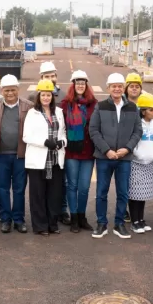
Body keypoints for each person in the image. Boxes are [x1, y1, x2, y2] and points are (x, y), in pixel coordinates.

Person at [89, 73, 143, 239]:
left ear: (123, 88)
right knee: (101, 192)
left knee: (123, 192)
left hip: (124, 158)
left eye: (120, 86)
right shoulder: (101, 106)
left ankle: (119, 224)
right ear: (108, 88)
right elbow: (94, 130)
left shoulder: (132, 107)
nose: (117, 89)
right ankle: (101, 223)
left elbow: (138, 131)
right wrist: (107, 150)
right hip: (104, 158)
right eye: (114, 86)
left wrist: (127, 148)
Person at [0, 74, 33, 234]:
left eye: (13, 90)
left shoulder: (28, 106)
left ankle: (19, 220)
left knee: (19, 189)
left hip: (21, 155)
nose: (10, 93)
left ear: (18, 89)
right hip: (1, 155)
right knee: (2, 188)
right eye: (6, 90)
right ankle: (5, 219)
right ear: (2, 90)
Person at [23, 79, 67, 235]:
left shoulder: (59, 112)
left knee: (54, 195)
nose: (46, 98)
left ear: (52, 96)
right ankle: (40, 226)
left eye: (49, 95)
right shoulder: (32, 113)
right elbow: (26, 136)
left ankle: (52, 224)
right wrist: (44, 142)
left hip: (55, 160)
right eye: (43, 95)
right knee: (38, 195)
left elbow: (63, 132)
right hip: (38, 160)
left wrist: (62, 142)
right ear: (38, 96)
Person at [30, 60, 70, 225]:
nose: (51, 79)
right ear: (41, 77)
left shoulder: (64, 95)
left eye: (53, 75)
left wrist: (62, 142)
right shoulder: (33, 97)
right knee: (43, 188)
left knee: (60, 184)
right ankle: (46, 218)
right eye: (47, 76)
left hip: (59, 150)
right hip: (41, 152)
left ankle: (61, 211)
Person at [60, 70, 97, 233]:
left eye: (83, 83)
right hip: (71, 151)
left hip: (88, 151)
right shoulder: (65, 104)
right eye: (77, 83)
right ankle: (74, 217)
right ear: (73, 85)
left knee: (84, 186)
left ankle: (82, 216)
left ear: (86, 85)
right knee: (72, 185)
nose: (80, 85)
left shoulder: (94, 104)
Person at [128, 93, 153, 233]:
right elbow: (132, 143)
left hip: (150, 163)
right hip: (136, 163)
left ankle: (141, 219)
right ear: (143, 111)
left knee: (143, 194)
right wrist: (139, 155)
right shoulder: (136, 124)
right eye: (151, 109)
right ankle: (134, 221)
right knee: (134, 194)